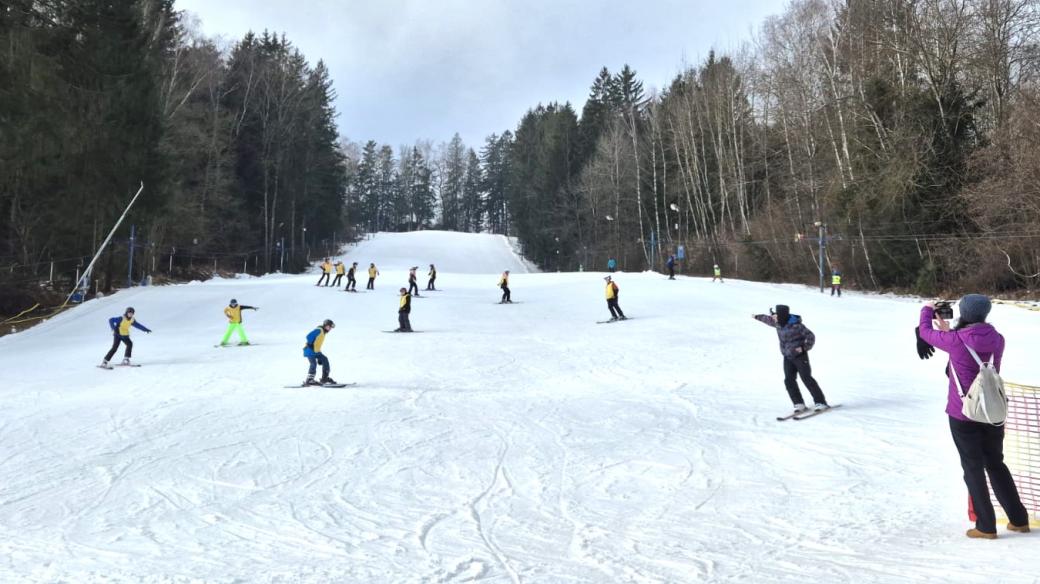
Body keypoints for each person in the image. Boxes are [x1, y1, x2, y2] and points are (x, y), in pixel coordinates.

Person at [918, 295, 1030, 539]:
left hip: (963, 413)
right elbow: (971, 345)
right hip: (992, 413)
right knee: (996, 464)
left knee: (973, 467)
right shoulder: (998, 340)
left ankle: (986, 525)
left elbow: (926, 333)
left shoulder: (956, 340)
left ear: (965, 313)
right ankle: (1019, 519)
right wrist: (951, 332)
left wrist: (927, 310)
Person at [753, 304, 828, 413]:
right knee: (789, 380)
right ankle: (798, 403)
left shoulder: (796, 325)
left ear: (782, 315)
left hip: (800, 356)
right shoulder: (777, 323)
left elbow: (811, 336)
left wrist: (803, 348)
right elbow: (766, 319)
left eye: (776, 314)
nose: (774, 317)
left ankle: (820, 402)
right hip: (787, 356)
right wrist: (756, 316)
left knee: (806, 378)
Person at [302, 319, 336, 386]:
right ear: (325, 325)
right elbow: (308, 336)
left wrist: (319, 355)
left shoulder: (323, 332)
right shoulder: (319, 330)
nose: (329, 329)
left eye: (330, 328)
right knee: (313, 363)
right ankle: (309, 380)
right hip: (309, 351)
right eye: (329, 327)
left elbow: (317, 344)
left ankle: (324, 378)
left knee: (325, 359)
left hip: (316, 351)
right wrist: (310, 344)